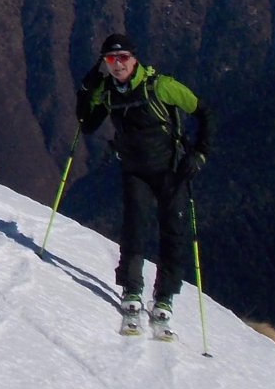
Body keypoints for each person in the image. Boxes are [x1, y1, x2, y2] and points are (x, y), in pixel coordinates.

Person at [76, 32, 212, 338]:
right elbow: (88, 123)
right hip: (135, 170)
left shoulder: (161, 86)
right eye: (111, 59)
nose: (118, 64)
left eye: (123, 58)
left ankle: (164, 297)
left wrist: (199, 154)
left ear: (134, 59)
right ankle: (133, 290)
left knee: (173, 233)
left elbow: (204, 111)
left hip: (171, 170)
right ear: (105, 63)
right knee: (134, 229)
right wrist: (88, 86)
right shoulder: (107, 91)